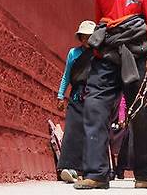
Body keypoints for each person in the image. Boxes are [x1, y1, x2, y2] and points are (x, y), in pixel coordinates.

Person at [74, 0, 147, 190]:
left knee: (141, 113)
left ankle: (144, 173)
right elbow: (99, 25)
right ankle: (97, 173)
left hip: (137, 55)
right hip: (108, 54)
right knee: (94, 107)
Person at [56, 20, 96, 183]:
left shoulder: (99, 54)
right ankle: (68, 167)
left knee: (91, 133)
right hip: (76, 96)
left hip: (94, 97)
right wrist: (60, 95)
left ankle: (88, 169)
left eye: (90, 37)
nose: (87, 40)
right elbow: (67, 75)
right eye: (84, 37)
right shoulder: (73, 53)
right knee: (72, 131)